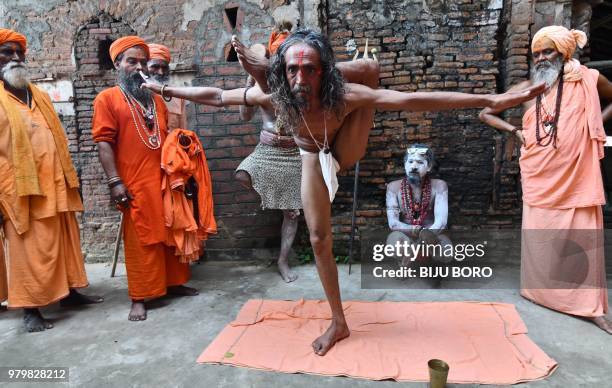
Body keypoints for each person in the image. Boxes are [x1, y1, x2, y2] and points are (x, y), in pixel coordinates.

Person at [143, 28, 545, 355]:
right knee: (319, 238)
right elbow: (216, 96)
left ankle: (364, 66)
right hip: (310, 155)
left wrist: (492, 98)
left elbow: (413, 99)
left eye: (310, 70)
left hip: (346, 143)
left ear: (324, 72)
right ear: (283, 72)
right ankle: (339, 322)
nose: (301, 78)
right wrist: (167, 90)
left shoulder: (344, 95)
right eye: (292, 69)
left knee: (369, 80)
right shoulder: (276, 95)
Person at [479, 25, 612, 334]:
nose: (540, 59)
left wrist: (593, 125)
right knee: (542, 236)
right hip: (540, 173)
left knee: (581, 235)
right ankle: (540, 293)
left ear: (564, 52)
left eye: (547, 52)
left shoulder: (589, 79)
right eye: (536, 54)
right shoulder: (528, 88)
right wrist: (516, 132)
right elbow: (486, 113)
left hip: (576, 172)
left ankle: (589, 308)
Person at [0, 28, 103, 332]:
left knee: (64, 242)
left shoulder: (39, 95)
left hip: (56, 185)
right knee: (28, 250)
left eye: (20, 52)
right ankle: (30, 309)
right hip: (19, 191)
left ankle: (69, 292)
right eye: (7, 52)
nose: (16, 58)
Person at [92, 36, 198, 322]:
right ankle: (139, 296)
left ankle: (173, 284)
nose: (138, 67)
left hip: (164, 181)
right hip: (134, 182)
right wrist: (115, 182)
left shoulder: (155, 100)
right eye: (131, 62)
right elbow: (103, 142)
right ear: (117, 65)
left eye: (142, 62)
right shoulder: (107, 99)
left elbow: (164, 139)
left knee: (170, 232)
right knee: (141, 239)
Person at [235, 24, 301, 282]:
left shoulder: (300, 81)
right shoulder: (261, 84)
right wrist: (250, 77)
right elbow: (244, 115)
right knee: (242, 175)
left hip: (295, 152)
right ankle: (273, 198)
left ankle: (283, 262)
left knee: (292, 213)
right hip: (267, 149)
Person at [386, 144, 451, 267]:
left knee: (446, 251)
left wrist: (421, 242)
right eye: (410, 161)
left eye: (420, 162)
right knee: (394, 244)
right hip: (406, 236)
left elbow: (441, 223)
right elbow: (393, 223)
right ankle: (408, 259)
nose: (414, 166)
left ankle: (424, 264)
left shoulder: (439, 186)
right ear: (405, 165)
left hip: (432, 236)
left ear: (429, 167)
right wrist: (419, 231)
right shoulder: (393, 187)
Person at [147, 43, 188, 131]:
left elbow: (183, 130)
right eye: (155, 67)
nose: (161, 72)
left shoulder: (177, 96)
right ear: (144, 67)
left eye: (164, 67)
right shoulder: (134, 96)